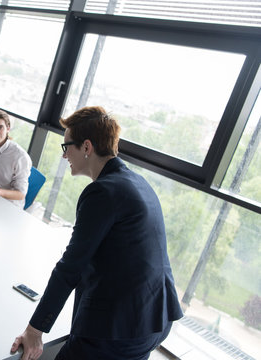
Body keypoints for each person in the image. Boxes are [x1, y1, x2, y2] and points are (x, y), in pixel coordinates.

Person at [11, 106, 183, 360]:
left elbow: (70, 269)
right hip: (155, 318)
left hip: (121, 329)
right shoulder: (137, 182)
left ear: (87, 147)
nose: (64, 155)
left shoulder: (102, 192)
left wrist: (35, 330)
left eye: (66, 146)